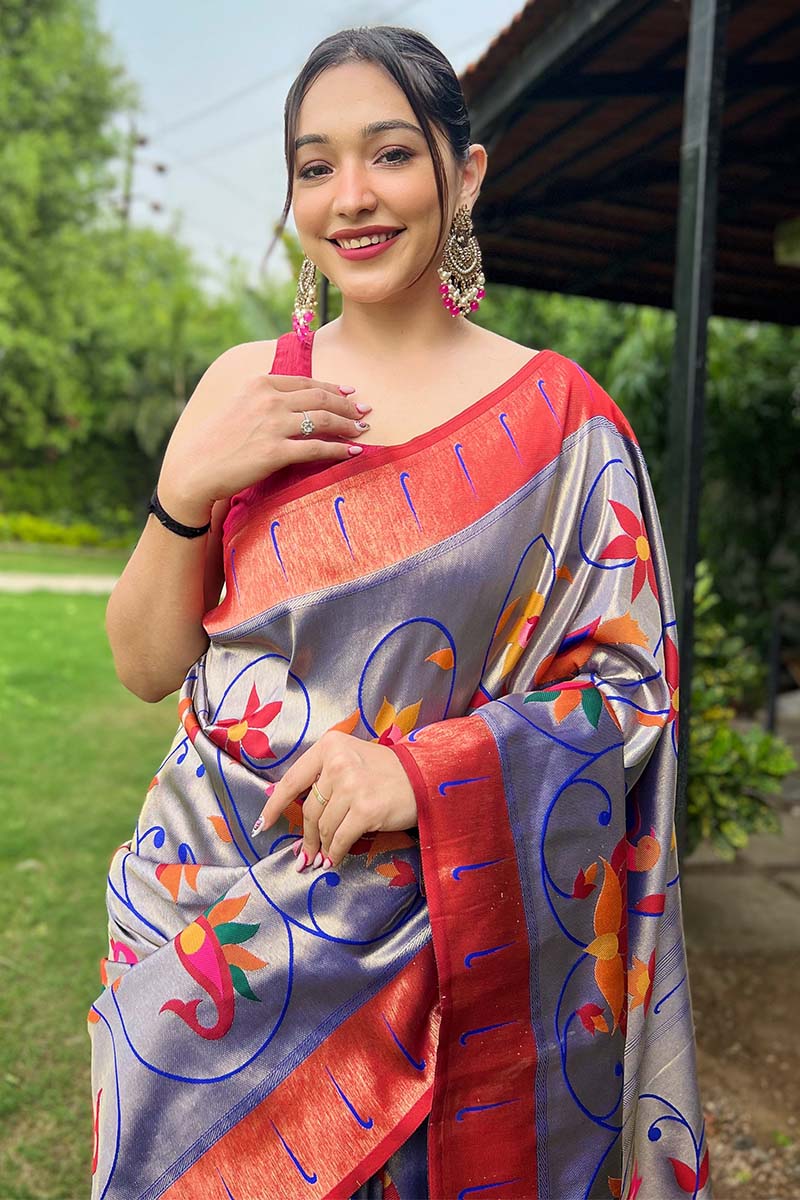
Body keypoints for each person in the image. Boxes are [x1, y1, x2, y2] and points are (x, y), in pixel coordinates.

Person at [89, 24, 710, 1200]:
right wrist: (188, 489)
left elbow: (629, 692)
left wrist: (419, 776)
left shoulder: (561, 424)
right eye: (314, 166)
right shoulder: (242, 384)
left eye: (389, 154)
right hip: (199, 932)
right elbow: (144, 662)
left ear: (461, 175)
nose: (352, 198)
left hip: (433, 965)